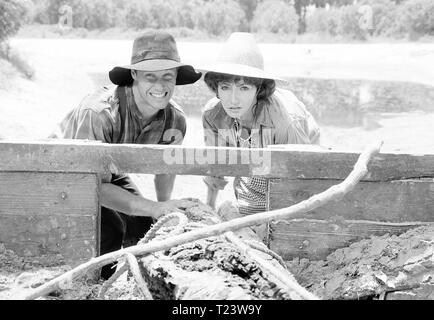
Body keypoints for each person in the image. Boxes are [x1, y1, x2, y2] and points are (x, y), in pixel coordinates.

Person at [49, 30, 201, 279]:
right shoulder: (100, 113)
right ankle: (97, 284)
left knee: (143, 223)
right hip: (64, 172)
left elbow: (166, 168)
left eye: (167, 76)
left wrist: (163, 210)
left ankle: (135, 279)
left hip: (106, 172)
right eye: (150, 76)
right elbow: (93, 186)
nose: (160, 86)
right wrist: (154, 206)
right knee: (111, 227)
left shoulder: (175, 119)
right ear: (134, 74)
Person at [200, 32, 320, 220]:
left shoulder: (284, 121)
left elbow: (302, 181)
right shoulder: (213, 115)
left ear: (259, 89)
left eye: (244, 88)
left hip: (296, 178)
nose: (233, 100)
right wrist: (209, 211)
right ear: (216, 88)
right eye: (225, 87)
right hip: (251, 180)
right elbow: (216, 168)